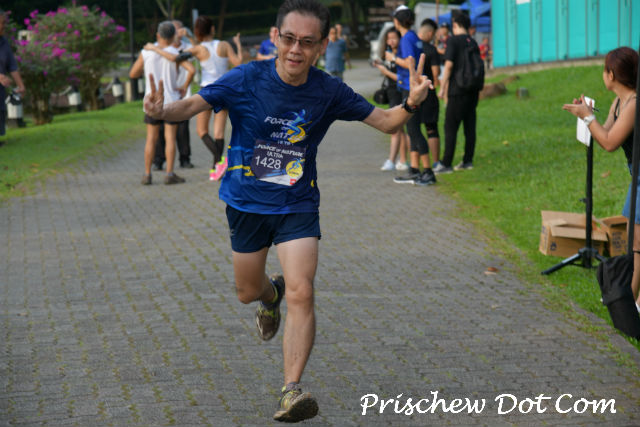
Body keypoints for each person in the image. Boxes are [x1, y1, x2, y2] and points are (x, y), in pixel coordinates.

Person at [143, 0, 432, 421]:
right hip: (246, 202)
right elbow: (192, 106)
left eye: (308, 42)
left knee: (303, 290)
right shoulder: (246, 78)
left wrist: (412, 102)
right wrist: (161, 111)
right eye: (290, 39)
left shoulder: (328, 90)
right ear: (276, 37)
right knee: (247, 291)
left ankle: (291, 390)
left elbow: (387, 123)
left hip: (297, 204)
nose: (297, 49)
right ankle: (269, 294)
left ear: (322, 46)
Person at [562, 46, 639, 312]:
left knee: (637, 240)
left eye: (605, 70)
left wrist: (588, 117)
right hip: (637, 176)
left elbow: (609, 143)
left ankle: (633, 300)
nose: (603, 74)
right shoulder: (620, 103)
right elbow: (604, 132)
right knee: (635, 240)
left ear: (612, 74)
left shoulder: (634, 104)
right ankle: (630, 298)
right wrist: (585, 114)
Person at [148, 16, 244, 181]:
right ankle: (216, 168)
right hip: (224, 90)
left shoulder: (198, 49)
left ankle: (220, 161)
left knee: (202, 131)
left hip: (207, 91)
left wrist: (157, 48)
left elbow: (177, 57)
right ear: (212, 29)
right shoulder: (224, 45)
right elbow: (238, 62)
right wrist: (238, 44)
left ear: (198, 31)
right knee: (219, 132)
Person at [129, 21, 195, 185]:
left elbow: (133, 73)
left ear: (158, 35)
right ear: (173, 37)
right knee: (170, 138)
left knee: (151, 138)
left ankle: (147, 174)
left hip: (151, 101)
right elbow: (192, 70)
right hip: (171, 100)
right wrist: (184, 87)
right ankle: (169, 174)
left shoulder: (146, 52)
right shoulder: (176, 52)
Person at [390, 5, 436, 186]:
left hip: (410, 88)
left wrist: (393, 58)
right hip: (413, 87)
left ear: (397, 21)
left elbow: (411, 62)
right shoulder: (414, 36)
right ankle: (415, 169)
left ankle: (428, 171)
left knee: (414, 130)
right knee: (412, 129)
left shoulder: (406, 38)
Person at [436, 10, 482, 174]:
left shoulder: (453, 40)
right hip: (473, 90)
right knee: (470, 126)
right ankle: (468, 161)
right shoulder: (473, 42)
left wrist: (442, 88)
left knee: (450, 127)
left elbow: (448, 66)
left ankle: (446, 163)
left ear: (455, 25)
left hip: (457, 90)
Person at [153, 20, 194, 170]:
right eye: (173, 30)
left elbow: (199, 51)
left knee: (182, 129)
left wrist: (190, 36)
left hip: (181, 93)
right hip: (162, 94)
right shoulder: (159, 48)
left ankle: (184, 158)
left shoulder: (187, 47)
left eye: (179, 30)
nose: (176, 34)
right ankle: (159, 160)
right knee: (160, 131)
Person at [375, 27, 409, 171]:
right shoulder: (388, 54)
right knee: (400, 129)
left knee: (395, 127)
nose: (391, 41)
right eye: (388, 38)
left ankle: (392, 160)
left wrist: (385, 71)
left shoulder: (401, 56)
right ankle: (403, 160)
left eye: (394, 38)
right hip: (391, 92)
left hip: (399, 92)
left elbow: (402, 78)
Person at [418, 18, 442, 168]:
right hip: (428, 93)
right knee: (431, 129)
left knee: (414, 130)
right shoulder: (431, 50)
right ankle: (435, 162)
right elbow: (436, 73)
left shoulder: (409, 46)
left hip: (412, 93)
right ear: (430, 33)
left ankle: (417, 163)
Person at [0, 9, 25, 141]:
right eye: (1, 23)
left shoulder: (4, 42)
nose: (4, 26)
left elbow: (12, 65)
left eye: (4, 23)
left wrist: (21, 85)